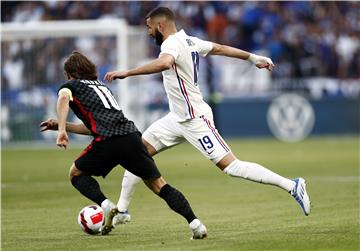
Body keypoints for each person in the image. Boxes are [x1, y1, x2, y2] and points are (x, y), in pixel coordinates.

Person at [104, 7, 311, 226]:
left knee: (232, 167)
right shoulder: (190, 41)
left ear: (160, 26)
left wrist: (127, 72)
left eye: (149, 27)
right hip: (176, 118)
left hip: (195, 119)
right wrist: (253, 57)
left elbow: (165, 63)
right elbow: (220, 48)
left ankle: (292, 185)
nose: (148, 32)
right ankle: (123, 210)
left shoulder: (170, 44)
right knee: (137, 153)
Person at [40, 51, 207, 239]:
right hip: (131, 136)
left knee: (75, 174)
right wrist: (61, 126)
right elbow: (91, 128)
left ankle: (106, 205)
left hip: (108, 140)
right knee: (159, 185)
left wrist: (62, 129)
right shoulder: (101, 87)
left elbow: (63, 98)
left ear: (69, 74)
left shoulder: (70, 86)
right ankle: (196, 225)